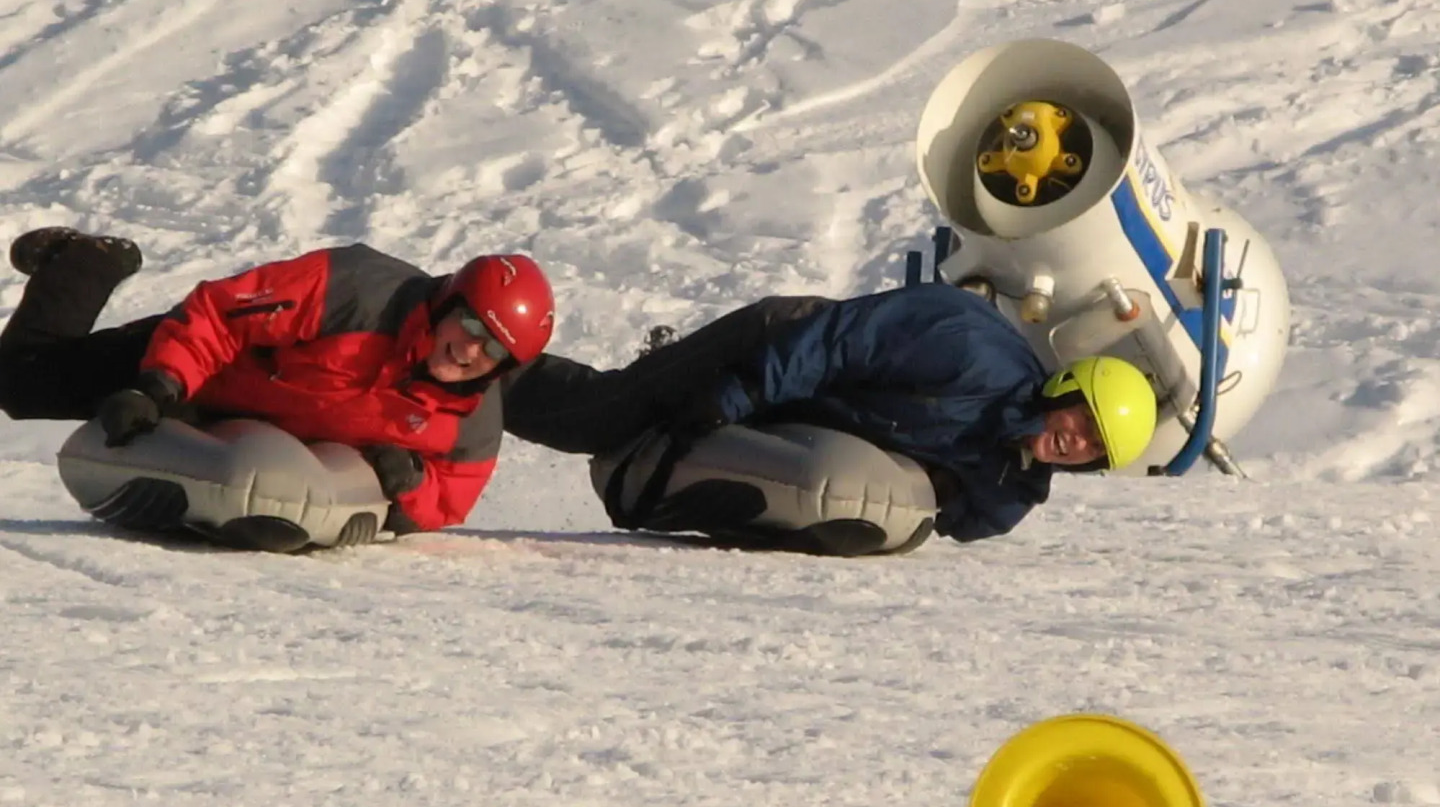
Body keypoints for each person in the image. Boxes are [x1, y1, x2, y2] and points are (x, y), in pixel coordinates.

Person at [501, 284, 1157, 545]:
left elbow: (951, 519)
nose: (1076, 442)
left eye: (1095, 448)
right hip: (778, 350)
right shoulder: (970, 348)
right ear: (1066, 388)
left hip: (807, 412)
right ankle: (480, 367)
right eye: (1083, 421)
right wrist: (734, 394)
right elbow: (836, 342)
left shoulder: (1011, 490)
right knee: (597, 419)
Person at [0, 227, 554, 534]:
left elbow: (454, 495)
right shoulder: (356, 292)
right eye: (472, 325)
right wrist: (159, 385)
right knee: (22, 383)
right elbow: (221, 313)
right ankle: (86, 260)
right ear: (448, 302)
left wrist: (410, 485)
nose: (471, 350)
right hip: (203, 377)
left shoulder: (471, 418)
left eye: (494, 348)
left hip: (261, 436)